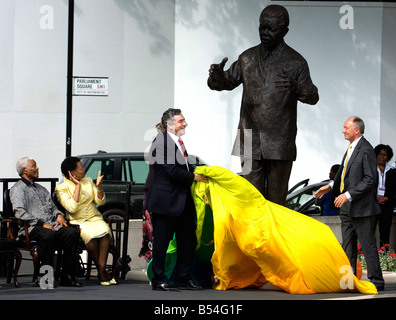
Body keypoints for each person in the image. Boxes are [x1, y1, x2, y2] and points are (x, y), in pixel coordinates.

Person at [207, 4, 319, 205]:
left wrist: (296, 87)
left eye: (271, 29)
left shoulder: (296, 62)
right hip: (249, 139)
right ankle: (253, 238)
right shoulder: (247, 57)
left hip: (279, 139)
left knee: (276, 202)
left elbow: (313, 97)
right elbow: (226, 82)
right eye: (262, 27)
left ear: (285, 31)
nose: (265, 33)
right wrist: (216, 77)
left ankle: (273, 237)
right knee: (251, 200)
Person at [315, 116, 384, 291]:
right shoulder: (351, 148)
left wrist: (348, 195)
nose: (343, 130)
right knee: (347, 246)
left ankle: (377, 282)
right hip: (347, 207)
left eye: (346, 127)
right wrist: (330, 187)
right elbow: (346, 175)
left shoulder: (366, 149)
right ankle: (347, 282)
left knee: (368, 246)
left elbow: (370, 179)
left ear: (357, 130)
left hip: (362, 207)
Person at [146, 108, 208, 291]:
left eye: (184, 120)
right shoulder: (160, 142)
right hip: (165, 201)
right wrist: (193, 177)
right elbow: (170, 170)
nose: (185, 123)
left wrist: (199, 171)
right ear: (170, 124)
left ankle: (183, 277)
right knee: (162, 242)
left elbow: (182, 167)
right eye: (181, 121)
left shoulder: (179, 142)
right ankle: (158, 280)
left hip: (183, 201)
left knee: (187, 241)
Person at [10, 157, 81, 287]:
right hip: (31, 227)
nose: (37, 168)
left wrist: (59, 215)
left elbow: (53, 207)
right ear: (25, 170)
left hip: (52, 225)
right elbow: (19, 212)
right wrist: (41, 224)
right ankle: (45, 277)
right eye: (33, 166)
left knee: (71, 233)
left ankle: (67, 276)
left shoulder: (41, 189)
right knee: (48, 235)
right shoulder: (18, 189)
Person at [55, 156, 116, 286]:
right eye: (81, 168)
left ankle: (101, 270)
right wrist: (77, 186)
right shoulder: (61, 188)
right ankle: (102, 272)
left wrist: (99, 187)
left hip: (95, 217)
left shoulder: (88, 181)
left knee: (105, 231)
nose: (84, 170)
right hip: (78, 220)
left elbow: (100, 201)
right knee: (90, 236)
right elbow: (71, 208)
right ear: (71, 172)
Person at [374, 144, 396, 247]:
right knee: (370, 232)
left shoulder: (393, 171)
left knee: (385, 233)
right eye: (380, 154)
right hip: (372, 205)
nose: (382, 157)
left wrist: (387, 198)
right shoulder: (371, 170)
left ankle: (385, 258)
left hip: (387, 206)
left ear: (388, 157)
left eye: (385, 155)